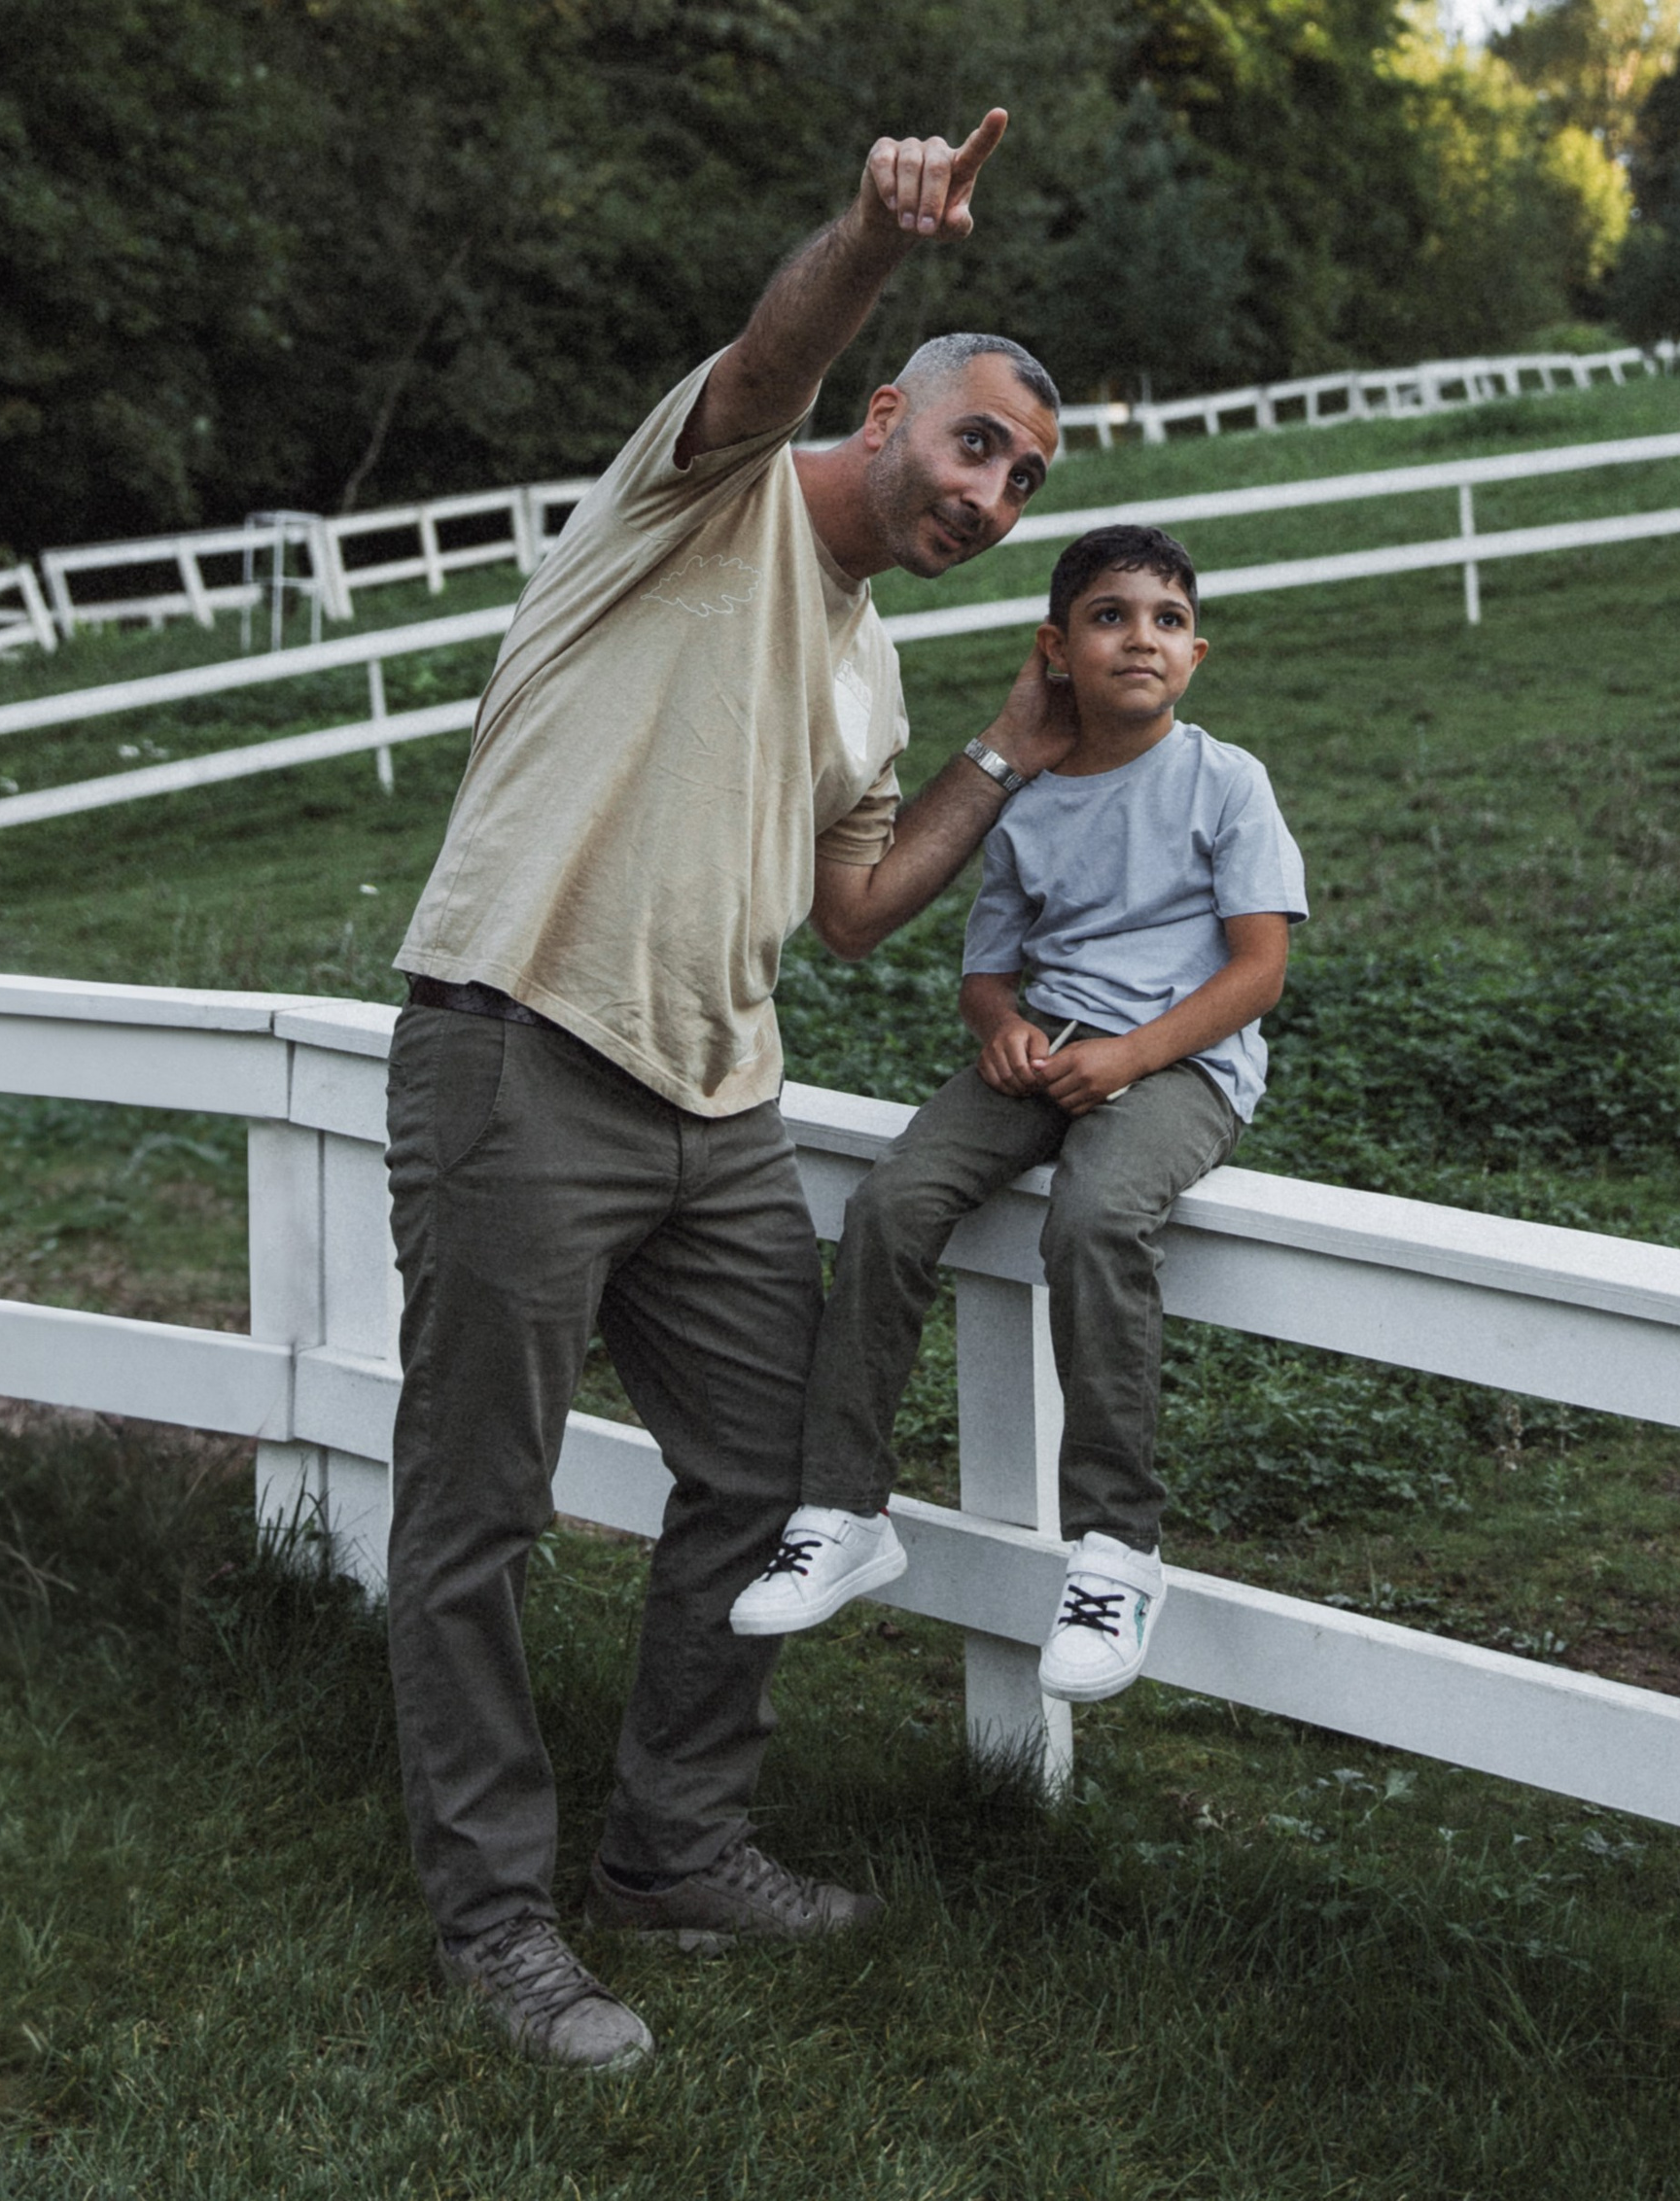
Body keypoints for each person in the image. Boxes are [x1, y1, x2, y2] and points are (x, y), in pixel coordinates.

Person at [384, 110, 1075, 2076]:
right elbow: (764, 363)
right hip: (518, 1043)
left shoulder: (864, 674)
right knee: (479, 1514)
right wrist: (870, 229)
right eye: (972, 444)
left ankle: (674, 1853)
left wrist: (999, 757)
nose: (990, 494)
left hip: (719, 1103)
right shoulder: (707, 497)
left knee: (778, 1478)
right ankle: (493, 1918)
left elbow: (852, 908)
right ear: (886, 412)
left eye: (1022, 480)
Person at [730, 521, 1306, 1703]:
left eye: (1166, 620)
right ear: (1055, 648)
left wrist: (1134, 1056)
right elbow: (988, 970)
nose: (1138, 639)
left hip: (1181, 1068)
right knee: (890, 1204)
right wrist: (1000, 1029)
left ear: (1198, 652)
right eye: (1108, 616)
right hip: (1046, 1059)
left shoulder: (1224, 780)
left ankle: (1115, 1549)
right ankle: (842, 1507)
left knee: (1093, 1221)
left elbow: (1258, 971)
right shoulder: (1030, 802)